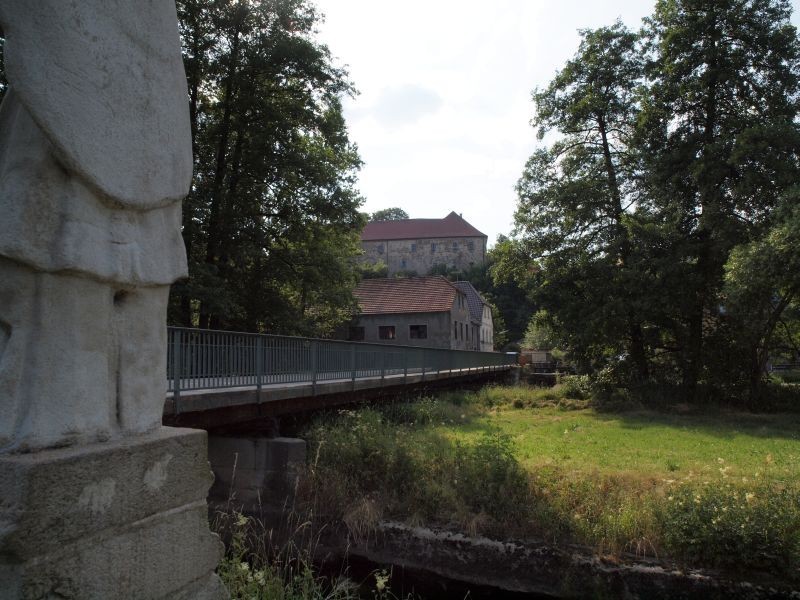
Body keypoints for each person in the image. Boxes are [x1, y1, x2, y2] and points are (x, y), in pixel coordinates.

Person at [0, 0, 191, 452]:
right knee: (58, 288)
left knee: (76, 292)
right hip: (63, 123)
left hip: (86, 133)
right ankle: (73, 418)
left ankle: (75, 419)